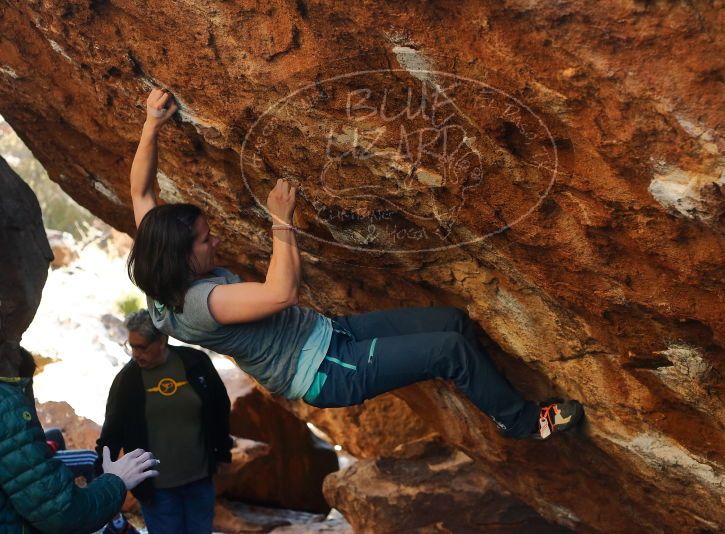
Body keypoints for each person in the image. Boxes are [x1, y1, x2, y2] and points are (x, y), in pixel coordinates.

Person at [126, 88, 584, 441]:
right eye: (207, 241)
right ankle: (523, 423)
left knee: (453, 324)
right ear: (183, 257)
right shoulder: (201, 303)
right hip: (324, 370)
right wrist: (280, 222)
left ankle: (495, 403)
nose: (216, 240)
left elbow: (141, 193)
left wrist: (152, 124)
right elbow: (281, 292)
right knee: (450, 350)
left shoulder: (157, 263)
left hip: (329, 334)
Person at [96, 310, 232, 534]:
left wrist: (223, 452)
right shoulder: (128, 380)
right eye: (131, 346)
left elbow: (219, 408)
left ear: (162, 340)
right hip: (157, 489)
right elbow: (112, 431)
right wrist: (102, 478)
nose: (135, 354)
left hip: (200, 481)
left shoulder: (195, 362)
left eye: (141, 347)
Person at [0, 346, 158, 533]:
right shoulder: (7, 404)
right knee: (90, 459)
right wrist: (117, 482)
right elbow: (63, 514)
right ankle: (116, 523)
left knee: (60, 439)